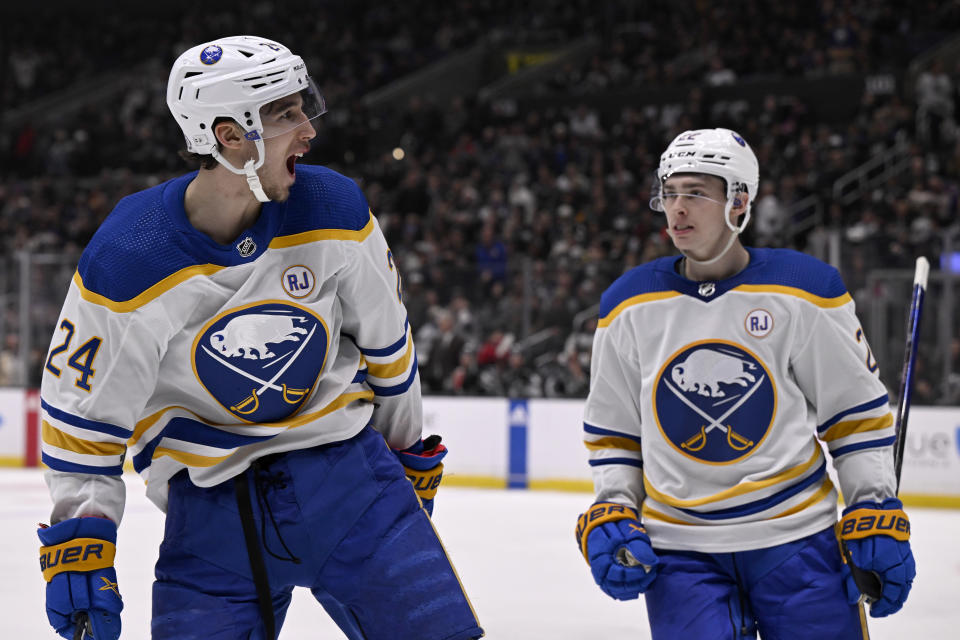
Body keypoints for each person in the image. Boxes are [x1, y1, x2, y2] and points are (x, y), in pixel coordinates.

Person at [36, 35, 483, 640]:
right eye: (285, 114)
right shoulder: (129, 256)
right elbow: (84, 420)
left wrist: (406, 455)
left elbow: (389, 349)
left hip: (352, 488)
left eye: (303, 108)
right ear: (229, 136)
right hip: (211, 520)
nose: (309, 129)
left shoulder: (333, 206)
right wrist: (82, 540)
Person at [574, 128, 915, 638]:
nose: (677, 209)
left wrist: (872, 503)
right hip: (681, 554)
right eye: (669, 193)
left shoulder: (805, 289)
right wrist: (615, 507)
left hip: (799, 541)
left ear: (739, 201)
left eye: (695, 192)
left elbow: (855, 417)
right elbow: (616, 432)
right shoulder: (628, 304)